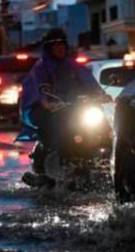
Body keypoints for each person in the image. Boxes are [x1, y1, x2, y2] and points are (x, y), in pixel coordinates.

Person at [18, 28, 110, 181]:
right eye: (56, 46)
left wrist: (101, 94)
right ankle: (54, 162)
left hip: (78, 108)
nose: (60, 49)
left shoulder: (74, 66)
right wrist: (46, 101)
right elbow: (39, 89)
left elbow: (89, 82)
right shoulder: (41, 68)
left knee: (104, 127)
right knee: (56, 128)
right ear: (49, 49)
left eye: (62, 45)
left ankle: (109, 160)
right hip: (54, 110)